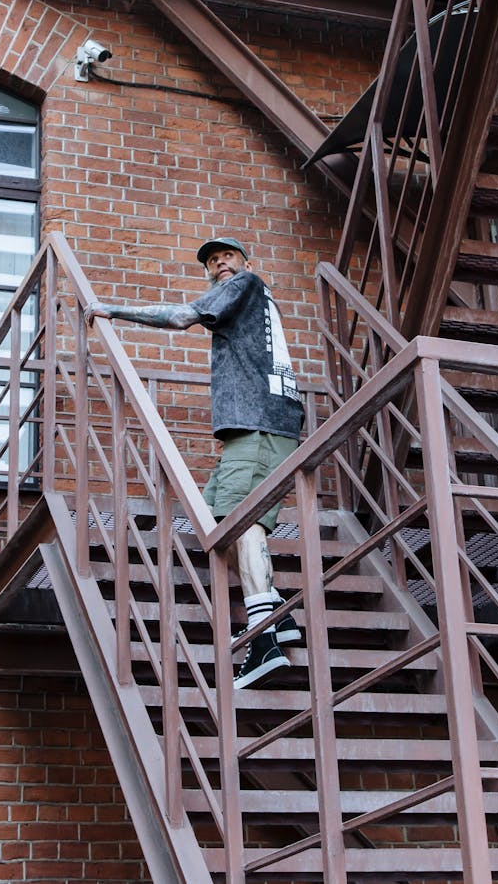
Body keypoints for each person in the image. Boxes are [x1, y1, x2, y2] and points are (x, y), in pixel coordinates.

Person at [84, 236, 304, 690]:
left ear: (246, 261)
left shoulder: (245, 284)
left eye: (227, 256)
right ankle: (279, 617)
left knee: (243, 525)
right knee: (214, 522)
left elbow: (183, 317)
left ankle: (263, 638)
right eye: (212, 260)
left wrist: (115, 311)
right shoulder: (256, 299)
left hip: (259, 425)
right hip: (257, 427)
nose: (220, 263)